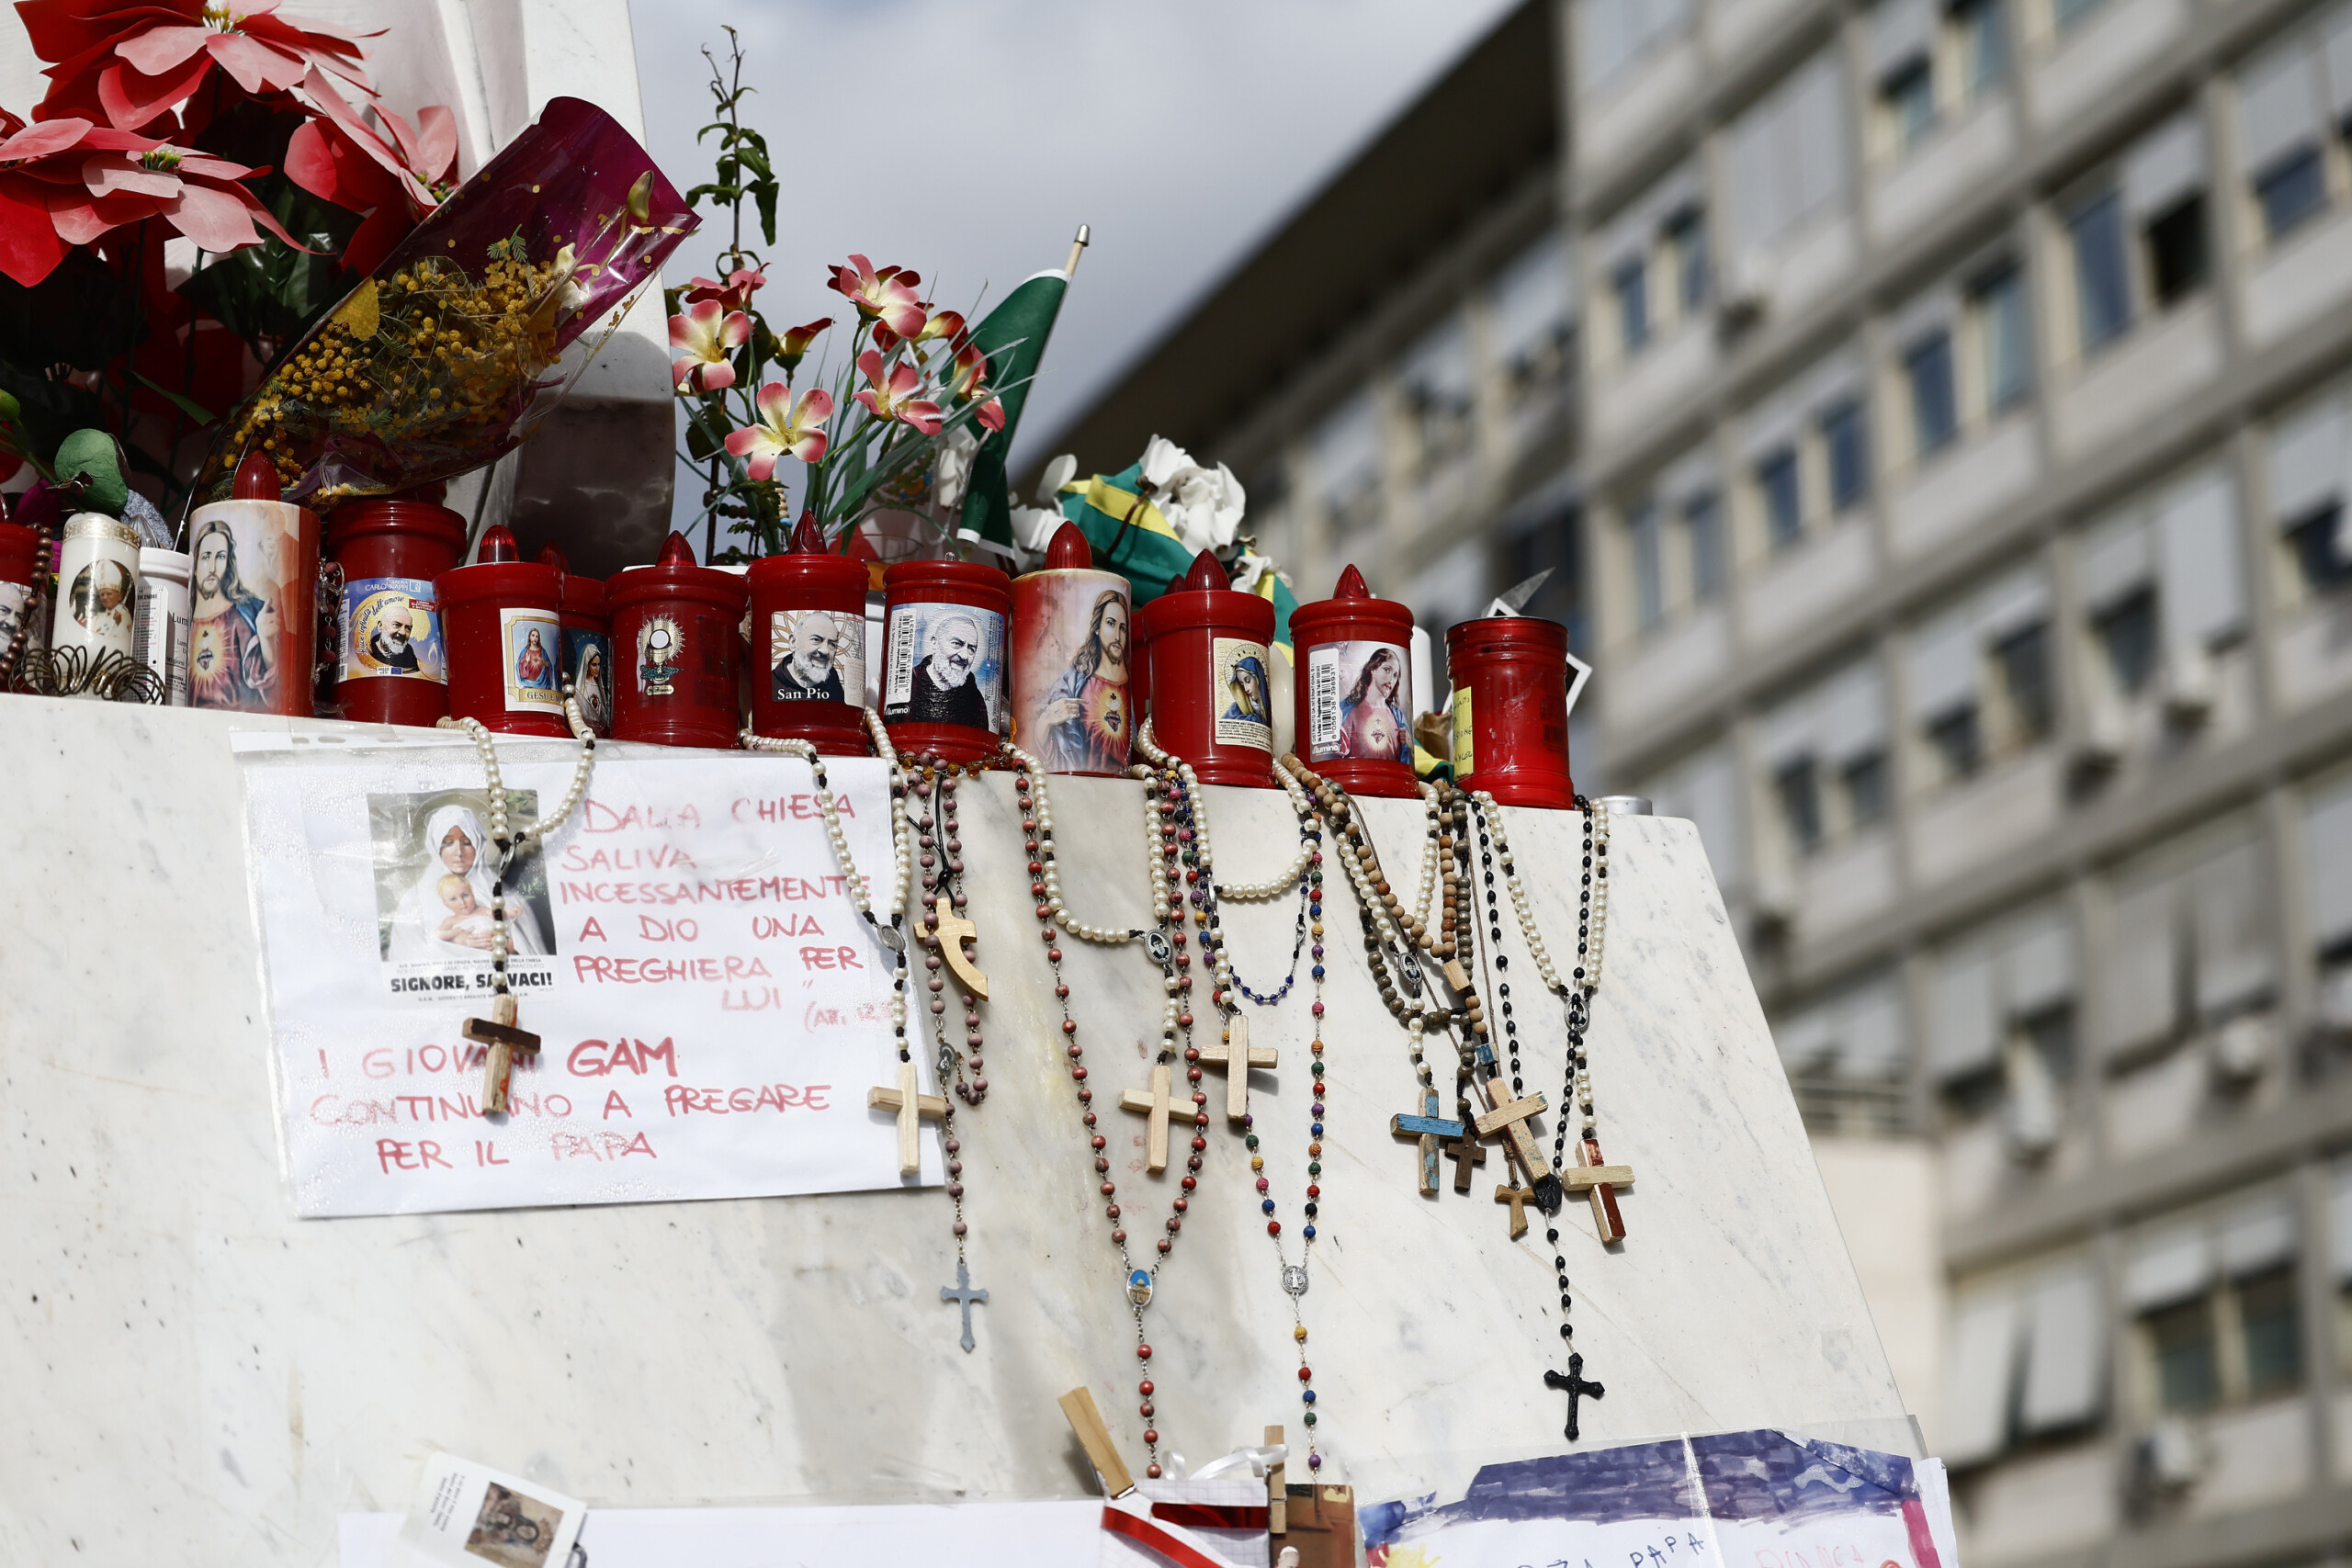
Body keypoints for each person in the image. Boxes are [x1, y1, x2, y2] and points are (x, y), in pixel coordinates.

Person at [386, 802, 550, 963]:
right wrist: (456, 943)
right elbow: (407, 956)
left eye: (466, 842)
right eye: (448, 843)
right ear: (436, 847)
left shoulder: (507, 897)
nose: (458, 852)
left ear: (478, 845)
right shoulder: (415, 899)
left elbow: (534, 958)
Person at [187, 517, 277, 710]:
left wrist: (266, 639)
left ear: (228, 564)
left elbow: (266, 680)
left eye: (220, 557)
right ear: (194, 566)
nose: (212, 568)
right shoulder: (183, 620)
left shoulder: (246, 616)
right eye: (205, 557)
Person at [1035, 590, 1129, 772]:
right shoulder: (1073, 681)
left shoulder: (1127, 686)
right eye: (1111, 623)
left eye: (1123, 628)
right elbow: (1042, 739)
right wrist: (1047, 718)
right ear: (1096, 627)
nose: (1117, 636)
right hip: (1075, 786)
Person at [907, 609, 991, 728]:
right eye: (957, 644)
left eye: (971, 649)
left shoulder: (973, 696)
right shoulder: (909, 684)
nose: (964, 656)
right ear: (934, 643)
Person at [1337, 646, 1408, 761]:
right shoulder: (1347, 710)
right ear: (1373, 670)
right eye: (1387, 670)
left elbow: (1405, 759)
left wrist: (1408, 745)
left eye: (1395, 675)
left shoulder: (1398, 717)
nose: (1391, 678)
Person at [773, 609, 847, 702]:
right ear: (793, 643)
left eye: (832, 644)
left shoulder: (834, 684)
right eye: (816, 639)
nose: (825, 651)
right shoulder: (771, 684)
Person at [433, 874, 494, 944]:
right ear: (447, 905)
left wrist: (500, 913)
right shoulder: (451, 921)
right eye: (453, 899)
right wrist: (451, 933)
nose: (462, 902)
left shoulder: (483, 910)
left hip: (493, 943)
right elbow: (436, 935)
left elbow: (500, 914)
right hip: (470, 950)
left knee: (508, 942)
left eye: (465, 895)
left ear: (472, 895)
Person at [366, 597, 423, 672]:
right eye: (396, 625)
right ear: (380, 626)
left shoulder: (408, 652)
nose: (403, 632)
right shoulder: (366, 652)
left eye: (408, 628)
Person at [1223, 652, 1272, 727]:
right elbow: (1224, 723)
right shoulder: (1237, 707)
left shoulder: (1270, 707)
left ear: (1258, 679)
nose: (1246, 689)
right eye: (1242, 684)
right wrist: (1253, 719)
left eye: (1248, 681)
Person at [574, 643, 609, 730]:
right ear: (587, 664)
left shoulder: (599, 687)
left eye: (599, 664)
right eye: (594, 665)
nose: (597, 669)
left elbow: (602, 713)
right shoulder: (581, 686)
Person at [514, 625, 553, 689]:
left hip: (542, 685)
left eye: (537, 636)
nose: (535, 638)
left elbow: (549, 666)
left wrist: (546, 664)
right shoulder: (525, 651)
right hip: (529, 685)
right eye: (533, 635)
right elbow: (519, 667)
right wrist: (526, 663)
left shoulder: (543, 652)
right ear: (529, 637)